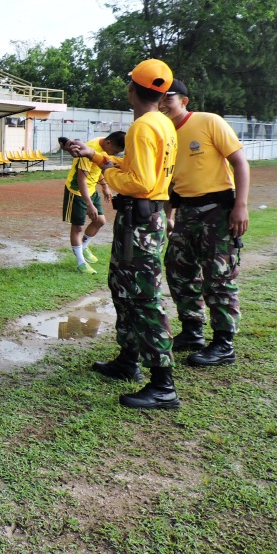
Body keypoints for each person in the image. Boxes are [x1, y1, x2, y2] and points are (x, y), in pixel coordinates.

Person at [67, 58, 179, 410]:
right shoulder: (162, 123)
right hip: (141, 220)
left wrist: (108, 179)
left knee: (143, 296)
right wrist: (99, 159)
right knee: (123, 288)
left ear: (133, 88)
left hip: (140, 221)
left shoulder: (143, 128)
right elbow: (137, 170)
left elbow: (140, 182)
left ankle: (163, 384)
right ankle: (128, 360)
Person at [159, 79, 250, 368]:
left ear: (183, 101)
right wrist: (170, 215)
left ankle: (223, 343)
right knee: (178, 269)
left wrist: (241, 206)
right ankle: (192, 331)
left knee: (218, 275)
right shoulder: (164, 134)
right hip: (185, 211)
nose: (162, 104)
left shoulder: (209, 122)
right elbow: (170, 180)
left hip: (217, 210)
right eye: (159, 99)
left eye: (168, 98)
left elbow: (240, 162)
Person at [62, 131, 126, 273]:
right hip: (77, 192)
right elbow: (81, 180)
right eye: (115, 151)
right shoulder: (90, 149)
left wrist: (104, 187)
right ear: (109, 143)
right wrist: (89, 204)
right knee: (77, 228)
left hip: (91, 189)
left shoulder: (103, 144)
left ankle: (83, 247)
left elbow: (97, 170)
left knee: (100, 221)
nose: (114, 156)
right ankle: (80, 263)